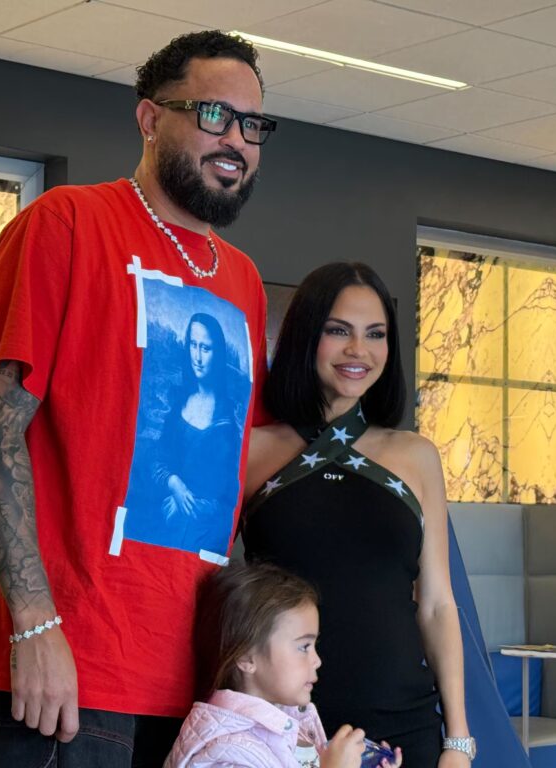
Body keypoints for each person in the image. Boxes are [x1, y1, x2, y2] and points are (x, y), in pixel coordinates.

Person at [0, 30, 274, 768]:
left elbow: (227, 473)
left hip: (193, 680)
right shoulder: (64, 224)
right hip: (69, 668)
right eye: (214, 114)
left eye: (253, 125)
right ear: (150, 119)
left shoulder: (243, 281)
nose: (237, 141)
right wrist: (33, 624)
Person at [242, 263, 475, 768]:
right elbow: (218, 591)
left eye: (375, 334)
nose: (358, 350)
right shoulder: (250, 449)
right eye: (338, 331)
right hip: (281, 732)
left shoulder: (417, 456)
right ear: (307, 336)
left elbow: (437, 604)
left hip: (404, 729)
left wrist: (458, 739)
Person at [165, 562, 401, 768]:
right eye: (303, 647)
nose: (317, 660)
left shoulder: (291, 727)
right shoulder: (226, 752)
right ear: (246, 658)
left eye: (314, 645)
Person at [152, 313, 244, 551]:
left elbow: (230, 487)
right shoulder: (178, 404)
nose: (198, 357)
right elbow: (159, 460)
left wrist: (197, 505)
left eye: (206, 348)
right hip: (168, 521)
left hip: (206, 530)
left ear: (218, 353)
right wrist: (174, 485)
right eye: (193, 345)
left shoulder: (230, 417)